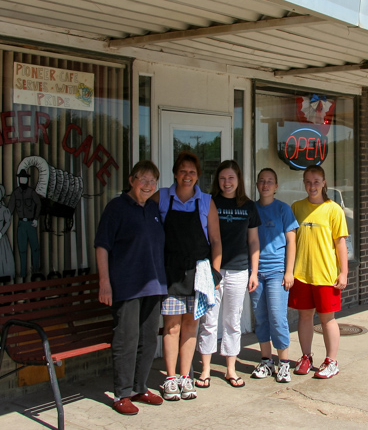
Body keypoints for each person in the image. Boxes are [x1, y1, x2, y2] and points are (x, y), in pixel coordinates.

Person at [95, 161, 167, 414]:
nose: (148, 185)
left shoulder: (154, 209)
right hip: (127, 286)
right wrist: (104, 282)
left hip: (154, 285)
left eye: (153, 181)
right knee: (127, 340)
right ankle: (121, 394)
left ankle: (139, 387)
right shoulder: (116, 208)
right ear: (131, 180)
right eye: (143, 179)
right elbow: (102, 246)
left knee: (148, 340)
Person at [159, 152, 222, 401]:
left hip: (199, 275)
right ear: (175, 173)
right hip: (170, 273)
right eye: (183, 171)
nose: (188, 176)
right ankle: (171, 378)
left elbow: (216, 241)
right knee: (172, 327)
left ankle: (186, 377)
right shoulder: (162, 197)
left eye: (192, 172)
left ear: (198, 176)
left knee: (191, 326)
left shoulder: (206, 201)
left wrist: (215, 274)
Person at [197, 160, 260, 388]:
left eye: (231, 178)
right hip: (212, 271)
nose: (227, 183)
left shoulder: (249, 206)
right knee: (209, 320)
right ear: (217, 180)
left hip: (239, 270)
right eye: (222, 178)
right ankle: (204, 370)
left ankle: (230, 370)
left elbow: (253, 241)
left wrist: (254, 272)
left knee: (232, 321)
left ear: (238, 180)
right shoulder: (209, 202)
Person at [289, 165, 348, 380]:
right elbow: (291, 240)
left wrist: (344, 273)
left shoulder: (334, 209)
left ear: (324, 182)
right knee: (304, 317)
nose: (312, 186)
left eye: (316, 181)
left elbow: (340, 243)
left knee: (327, 320)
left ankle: (331, 361)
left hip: (326, 275)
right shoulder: (296, 207)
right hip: (302, 274)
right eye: (308, 181)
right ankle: (306, 357)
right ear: (303, 183)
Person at [249, 168, 298, 383]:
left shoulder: (283, 209)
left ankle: (284, 364)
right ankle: (266, 361)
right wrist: (252, 272)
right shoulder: (252, 209)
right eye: (262, 181)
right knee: (261, 319)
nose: (265, 185)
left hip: (278, 272)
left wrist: (289, 272)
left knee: (278, 318)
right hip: (257, 273)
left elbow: (292, 242)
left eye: (270, 181)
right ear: (257, 185)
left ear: (276, 186)